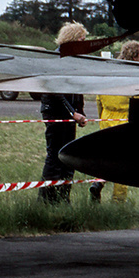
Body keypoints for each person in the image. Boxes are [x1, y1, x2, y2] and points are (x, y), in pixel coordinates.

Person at [38, 22, 89, 204]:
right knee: (54, 156)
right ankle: (45, 200)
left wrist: (80, 112)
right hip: (54, 111)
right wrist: (72, 112)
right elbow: (55, 90)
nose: (84, 43)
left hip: (69, 114)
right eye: (82, 40)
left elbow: (78, 87)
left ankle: (63, 199)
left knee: (68, 156)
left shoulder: (76, 59)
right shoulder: (56, 57)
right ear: (72, 39)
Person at [91, 40, 139, 202]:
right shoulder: (133, 76)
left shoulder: (110, 71)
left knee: (105, 159)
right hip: (123, 121)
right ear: (134, 57)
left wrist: (102, 118)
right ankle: (118, 201)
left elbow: (99, 99)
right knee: (123, 163)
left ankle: (97, 183)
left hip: (106, 119)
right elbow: (138, 99)